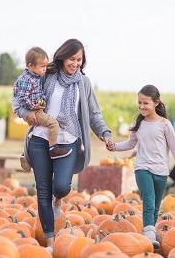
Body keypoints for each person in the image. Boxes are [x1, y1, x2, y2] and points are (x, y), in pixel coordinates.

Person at [11, 39, 113, 254]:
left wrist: (104, 133)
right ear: (62, 56)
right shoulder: (46, 74)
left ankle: (58, 200)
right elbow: (18, 98)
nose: (75, 63)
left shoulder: (83, 83)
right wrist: (26, 114)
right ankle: (50, 242)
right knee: (43, 191)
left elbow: (94, 113)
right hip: (40, 137)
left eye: (79, 60)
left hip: (69, 140)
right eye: (72, 59)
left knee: (61, 187)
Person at [106, 84, 175, 249]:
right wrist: (114, 146)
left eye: (146, 103)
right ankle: (149, 237)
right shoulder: (138, 122)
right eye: (139, 103)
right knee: (148, 202)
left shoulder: (165, 125)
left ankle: (149, 234)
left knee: (156, 206)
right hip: (142, 168)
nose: (142, 106)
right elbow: (131, 143)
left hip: (161, 171)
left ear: (156, 103)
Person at [12, 47, 72, 171]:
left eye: (45, 66)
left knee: (34, 129)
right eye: (42, 66)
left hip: (36, 108)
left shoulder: (35, 76)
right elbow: (22, 98)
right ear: (31, 65)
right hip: (34, 110)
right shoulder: (27, 80)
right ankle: (53, 148)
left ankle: (26, 154)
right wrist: (33, 107)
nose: (45, 69)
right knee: (52, 124)